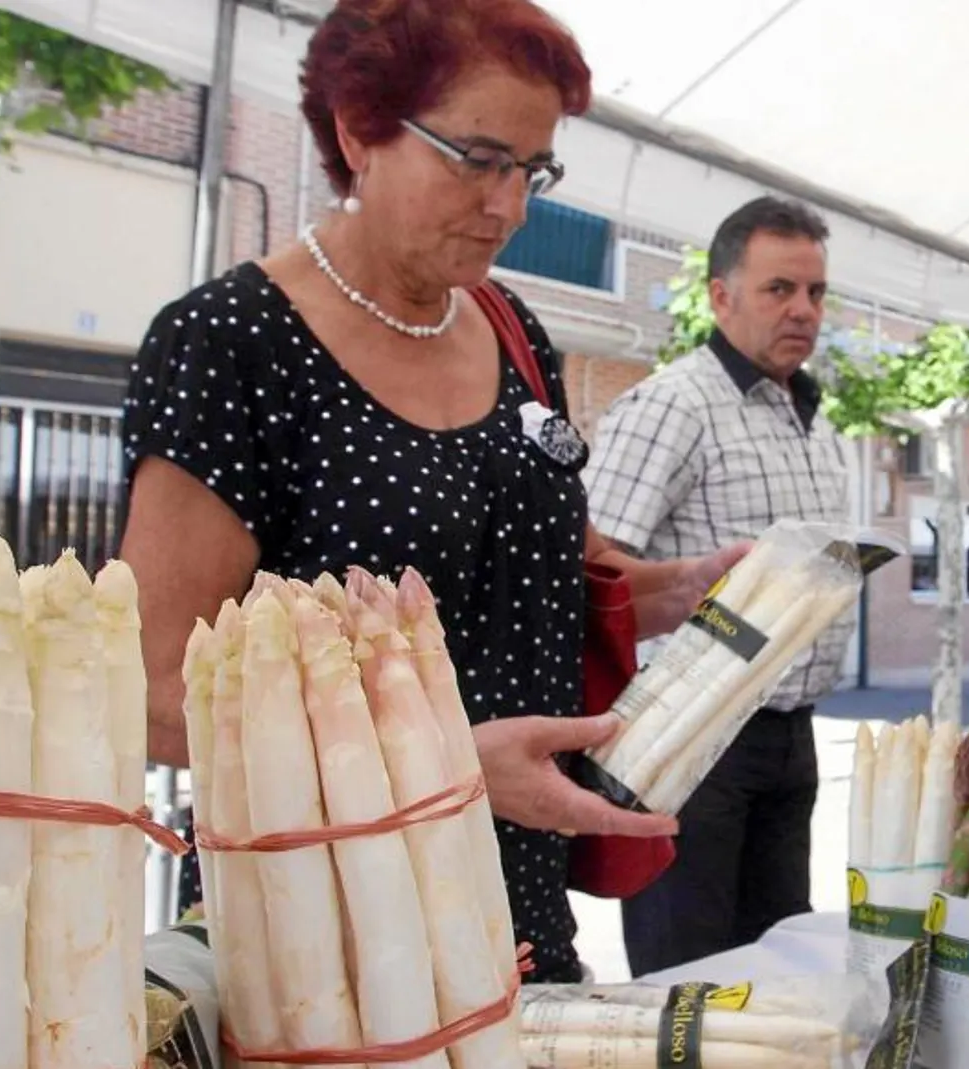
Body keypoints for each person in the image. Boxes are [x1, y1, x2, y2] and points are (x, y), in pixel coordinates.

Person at [116, 0, 742, 984]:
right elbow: (153, 690)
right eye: (478, 158)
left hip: (522, 911)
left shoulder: (512, 328)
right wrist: (439, 758)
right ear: (359, 130)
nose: (511, 206)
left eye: (533, 171)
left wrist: (690, 586)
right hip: (334, 941)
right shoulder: (235, 343)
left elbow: (542, 577)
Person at [585, 196, 852, 977]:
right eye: (779, 289)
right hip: (691, 735)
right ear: (721, 294)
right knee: (687, 982)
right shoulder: (675, 404)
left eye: (816, 292)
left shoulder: (811, 418)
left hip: (790, 735)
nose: (803, 310)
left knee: (775, 974)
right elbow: (593, 569)